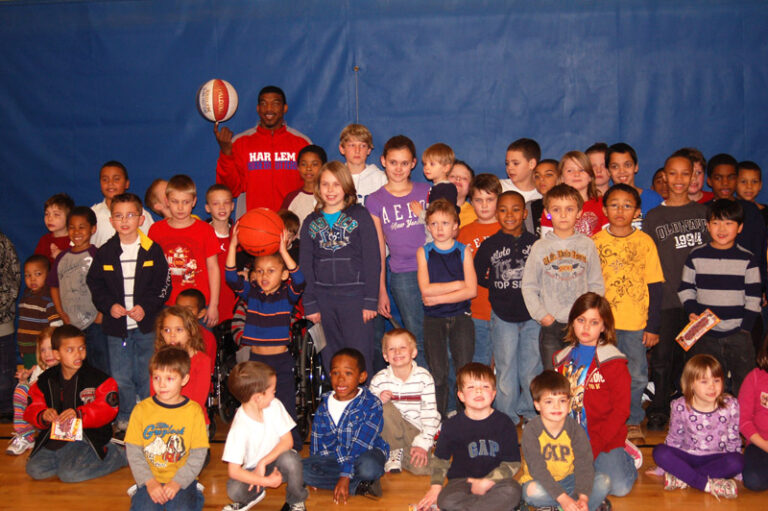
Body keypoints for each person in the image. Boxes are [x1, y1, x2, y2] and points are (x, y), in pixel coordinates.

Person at [87, 192, 171, 433]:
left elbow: (163, 285)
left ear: (141, 219)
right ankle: (125, 417)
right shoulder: (105, 252)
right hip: (117, 329)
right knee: (121, 375)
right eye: (119, 216)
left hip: (145, 327)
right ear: (111, 221)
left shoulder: (152, 250)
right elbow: (95, 284)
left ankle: (149, 414)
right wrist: (108, 305)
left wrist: (147, 307)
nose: (125, 221)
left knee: (147, 375)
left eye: (130, 215)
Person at [642, 150, 709, 431]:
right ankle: (659, 409)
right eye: (673, 174)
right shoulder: (654, 217)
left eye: (687, 173)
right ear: (664, 177)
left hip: (701, 302)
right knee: (662, 359)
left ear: (695, 176)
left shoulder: (705, 212)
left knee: (694, 359)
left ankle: (691, 408)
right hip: (668, 300)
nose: (679, 179)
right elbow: (648, 262)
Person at [592, 184, 663, 441]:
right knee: (603, 374)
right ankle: (605, 418)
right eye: (614, 204)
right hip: (603, 324)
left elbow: (655, 286)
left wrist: (653, 325)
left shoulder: (645, 242)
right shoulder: (595, 242)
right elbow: (589, 288)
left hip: (636, 324)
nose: (620, 210)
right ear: (604, 209)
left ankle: (632, 419)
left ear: (637, 211)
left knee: (636, 375)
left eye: (627, 205)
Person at [226, 225, 305, 448]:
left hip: (280, 361)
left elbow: (299, 279)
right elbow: (231, 277)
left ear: (283, 274)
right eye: (259, 271)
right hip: (255, 362)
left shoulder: (287, 296)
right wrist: (233, 245)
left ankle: (293, 448)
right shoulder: (251, 294)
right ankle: (254, 446)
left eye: (271, 271)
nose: (264, 275)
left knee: (286, 405)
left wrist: (283, 251)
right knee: (253, 404)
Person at [299, 161, 380, 377]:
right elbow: (305, 265)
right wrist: (310, 304)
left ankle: (364, 405)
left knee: (359, 356)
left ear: (346, 186)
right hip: (323, 301)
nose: (331, 190)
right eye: (325, 184)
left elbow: (373, 259)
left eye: (336, 184)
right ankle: (337, 403)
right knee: (330, 356)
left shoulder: (360, 215)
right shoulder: (310, 222)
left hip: (356, 298)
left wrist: (371, 300)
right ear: (318, 188)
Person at [553, 292, 638, 497]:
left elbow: (621, 411)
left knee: (619, 488)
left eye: (594, 322)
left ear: (604, 327)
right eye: (581, 320)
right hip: (570, 438)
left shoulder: (614, 362)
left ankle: (628, 456)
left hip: (604, 437)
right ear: (572, 322)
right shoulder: (560, 360)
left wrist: (594, 446)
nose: (586, 327)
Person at [678, 198, 760, 396]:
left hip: (738, 333)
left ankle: (743, 423)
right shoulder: (696, 255)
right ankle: (710, 421)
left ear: (739, 228)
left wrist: (745, 329)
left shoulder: (748, 259)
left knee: (745, 382)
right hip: (705, 333)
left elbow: (754, 297)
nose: (721, 229)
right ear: (707, 226)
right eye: (715, 223)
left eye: (729, 223)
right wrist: (692, 312)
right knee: (706, 381)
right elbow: (686, 288)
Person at [25, 325, 127, 482]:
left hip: (87, 437)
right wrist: (44, 414)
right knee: (35, 470)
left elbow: (107, 409)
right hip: (56, 438)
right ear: (57, 354)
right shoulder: (45, 380)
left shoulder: (99, 379)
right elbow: (32, 407)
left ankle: (117, 454)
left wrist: (79, 414)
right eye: (70, 350)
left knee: (69, 475)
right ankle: (68, 460)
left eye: (81, 348)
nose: (78, 354)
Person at [416, 362, 522, 511]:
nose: (479, 391)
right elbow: (440, 460)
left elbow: (513, 463)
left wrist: (487, 481)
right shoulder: (451, 425)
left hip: (496, 482)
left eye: (485, 387)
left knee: (513, 490)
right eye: (471, 387)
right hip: (462, 482)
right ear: (461, 395)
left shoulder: (505, 423)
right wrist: (435, 486)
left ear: (493, 394)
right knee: (446, 500)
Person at [522, 184, 605, 370]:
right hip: (551, 325)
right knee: (553, 377)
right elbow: (529, 286)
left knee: (582, 376)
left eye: (569, 209)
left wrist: (589, 316)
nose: (563, 215)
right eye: (556, 210)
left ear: (579, 213)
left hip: (582, 325)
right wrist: (542, 316)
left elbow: (596, 284)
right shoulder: (540, 247)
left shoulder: (587, 245)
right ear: (547, 213)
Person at [474, 191, 540, 425]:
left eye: (515, 209)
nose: (509, 214)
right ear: (496, 213)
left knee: (532, 365)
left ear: (524, 213)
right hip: (502, 314)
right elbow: (478, 275)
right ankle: (507, 415)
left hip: (533, 315)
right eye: (503, 209)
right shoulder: (489, 245)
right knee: (505, 365)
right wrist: (497, 285)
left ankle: (531, 412)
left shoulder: (536, 243)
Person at [367, 135, 430, 369]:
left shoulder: (426, 192)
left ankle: (446, 400)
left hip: (433, 271)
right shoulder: (375, 200)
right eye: (393, 162)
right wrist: (381, 290)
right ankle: (421, 392)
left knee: (437, 336)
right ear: (383, 161)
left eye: (404, 163)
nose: (398, 169)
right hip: (403, 275)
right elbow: (378, 249)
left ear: (413, 163)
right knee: (416, 337)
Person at [125, 346, 208, 510]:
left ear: (184, 379)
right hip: (149, 478)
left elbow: (199, 454)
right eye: (156, 377)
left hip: (182, 479)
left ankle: (195, 491)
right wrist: (149, 482)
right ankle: (139, 490)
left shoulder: (194, 412)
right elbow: (134, 451)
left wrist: (178, 482)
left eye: (169, 378)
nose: (161, 384)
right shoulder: (141, 410)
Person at [302, 348, 388, 502]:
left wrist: (345, 475)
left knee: (369, 467)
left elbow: (361, 444)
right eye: (335, 373)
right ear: (329, 375)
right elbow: (317, 442)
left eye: (348, 373)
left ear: (362, 377)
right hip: (336, 457)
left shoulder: (371, 403)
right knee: (300, 470)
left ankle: (355, 480)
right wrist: (314, 469)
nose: (340, 380)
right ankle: (360, 486)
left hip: (365, 452)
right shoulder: (324, 406)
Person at [652, 354, 742, 499]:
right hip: (688, 455)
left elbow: (734, 438)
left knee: (736, 461)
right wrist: (662, 467)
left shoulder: (731, 405)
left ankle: (683, 477)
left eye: (716, 380)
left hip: (716, 458)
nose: (712, 386)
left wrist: (737, 471)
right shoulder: (680, 405)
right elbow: (674, 437)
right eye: (704, 381)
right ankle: (704, 483)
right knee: (660, 452)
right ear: (691, 384)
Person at [222, 361, 308, 511]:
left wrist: (263, 463)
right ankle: (256, 494)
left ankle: (296, 501)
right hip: (253, 470)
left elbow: (288, 441)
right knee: (234, 489)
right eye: (272, 391)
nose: (275, 394)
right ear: (257, 398)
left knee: (292, 460)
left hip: (277, 460)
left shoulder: (274, 405)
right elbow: (234, 471)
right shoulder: (239, 427)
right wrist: (265, 481)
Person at [417, 199, 477, 416]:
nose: (439, 229)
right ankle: (438, 420)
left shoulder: (464, 251)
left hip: (461, 317)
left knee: (464, 370)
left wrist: (440, 297)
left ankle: (466, 417)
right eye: (433, 224)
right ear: (428, 227)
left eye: (445, 223)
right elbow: (426, 290)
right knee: (439, 373)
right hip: (433, 320)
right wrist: (458, 285)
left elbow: (472, 291)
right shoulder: (423, 252)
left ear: (455, 226)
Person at [519, 370, 611, 511]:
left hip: (569, 480)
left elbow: (584, 464)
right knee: (531, 492)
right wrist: (563, 498)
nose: (557, 407)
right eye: (549, 401)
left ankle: (562, 506)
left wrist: (583, 497)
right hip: (541, 481)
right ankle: (573, 505)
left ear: (569, 404)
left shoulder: (574, 429)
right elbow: (538, 470)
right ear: (537, 405)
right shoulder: (531, 431)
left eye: (562, 401)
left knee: (604, 481)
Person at [214, 85, 311, 213]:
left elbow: (312, 187)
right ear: (258, 109)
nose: (269, 109)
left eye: (275, 103)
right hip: (253, 225)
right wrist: (226, 154)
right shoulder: (240, 142)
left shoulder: (302, 143)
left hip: (293, 225)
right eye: (264, 104)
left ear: (284, 108)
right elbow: (229, 190)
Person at [148, 174, 220, 326]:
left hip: (199, 305)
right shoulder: (156, 230)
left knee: (200, 347)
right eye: (175, 202)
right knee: (169, 348)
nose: (180, 207)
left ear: (194, 202)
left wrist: (213, 304)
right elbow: (150, 269)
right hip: (167, 303)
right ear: (167, 201)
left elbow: (213, 268)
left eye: (185, 202)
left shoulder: (205, 230)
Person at [369, 328, 440, 475]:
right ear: (385, 356)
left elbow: (430, 414)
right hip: (391, 431)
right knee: (385, 407)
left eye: (402, 347)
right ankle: (393, 450)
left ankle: (404, 454)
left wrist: (422, 444)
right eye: (392, 349)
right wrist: (377, 401)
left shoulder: (424, 378)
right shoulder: (379, 380)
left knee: (421, 470)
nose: (397, 352)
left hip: (416, 429)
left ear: (413, 353)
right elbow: (367, 411)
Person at [48, 206, 109, 374]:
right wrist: (61, 312)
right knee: (76, 368)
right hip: (70, 324)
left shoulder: (99, 255)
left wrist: (100, 314)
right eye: (72, 227)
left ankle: (104, 398)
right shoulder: (62, 257)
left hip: (95, 323)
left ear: (93, 229)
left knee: (100, 366)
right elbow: (54, 285)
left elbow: (109, 287)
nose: (76, 231)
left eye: (82, 227)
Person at [456, 174, 502, 368]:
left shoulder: (507, 229)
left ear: (499, 200)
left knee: (505, 366)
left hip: (505, 312)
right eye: (478, 200)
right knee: (480, 363)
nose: (484, 205)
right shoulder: (463, 233)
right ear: (471, 201)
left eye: (490, 200)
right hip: (476, 310)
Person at [153, 306, 212, 425]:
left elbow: (198, 401)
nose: (172, 335)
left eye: (179, 330)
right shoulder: (159, 359)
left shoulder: (202, 360)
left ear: (191, 331)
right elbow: (154, 394)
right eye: (167, 330)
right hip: (164, 421)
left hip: (193, 422)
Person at [6, 327, 58, 455]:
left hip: (58, 418)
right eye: (43, 350)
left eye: (51, 348)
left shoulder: (67, 369)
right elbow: (30, 396)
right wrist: (24, 382)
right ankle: (26, 436)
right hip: (41, 416)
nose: (47, 354)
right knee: (21, 390)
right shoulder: (39, 369)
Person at [541, 151, 607, 237]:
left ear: (590, 176)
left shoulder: (602, 205)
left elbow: (609, 239)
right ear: (561, 178)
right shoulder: (552, 208)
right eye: (570, 170)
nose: (576, 174)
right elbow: (546, 242)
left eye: (582, 170)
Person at [91, 161, 155, 247]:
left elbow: (151, 245)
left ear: (127, 184)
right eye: (105, 179)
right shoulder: (92, 213)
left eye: (116, 179)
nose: (110, 183)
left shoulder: (140, 213)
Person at [18, 254, 63, 368]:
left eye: (38, 274)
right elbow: (23, 324)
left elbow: (56, 326)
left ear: (48, 274)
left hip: (43, 351)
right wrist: (23, 347)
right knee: (30, 377)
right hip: (28, 350)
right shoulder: (26, 295)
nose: (32, 279)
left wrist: (53, 347)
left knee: (43, 376)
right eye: (28, 275)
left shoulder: (48, 298)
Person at [205, 184, 237, 324]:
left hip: (234, 304)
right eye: (216, 203)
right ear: (208, 208)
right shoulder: (202, 234)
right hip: (210, 303)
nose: (222, 207)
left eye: (226, 202)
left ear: (232, 206)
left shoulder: (241, 234)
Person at [738, 340, 768, 492]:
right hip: (760, 444)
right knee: (754, 481)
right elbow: (744, 421)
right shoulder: (754, 378)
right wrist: (764, 445)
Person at [606, 142, 663, 219]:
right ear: (608, 171)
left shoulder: (653, 199)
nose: (622, 171)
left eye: (627, 165)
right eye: (615, 167)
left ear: (636, 167)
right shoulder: (604, 202)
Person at [338, 124, 387, 206]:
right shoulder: (334, 177)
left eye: (362, 146)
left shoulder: (381, 179)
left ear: (369, 150)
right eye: (352, 145)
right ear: (342, 149)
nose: (357, 150)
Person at [281, 145, 327, 230]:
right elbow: (282, 229)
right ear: (298, 167)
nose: (308, 168)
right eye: (304, 164)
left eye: (314, 164)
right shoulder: (291, 198)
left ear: (324, 167)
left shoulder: (330, 196)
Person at [0, 230, 20, 423]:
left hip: (2, 320)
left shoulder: (3, 243)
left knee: (5, 369)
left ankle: (6, 407)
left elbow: (12, 281)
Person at [175, 288, 217, 376]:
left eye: (188, 310)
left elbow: (207, 369)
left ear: (201, 313)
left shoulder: (207, 337)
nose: (182, 313)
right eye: (178, 309)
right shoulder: (170, 333)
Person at [34, 193, 75, 263]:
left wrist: (62, 257)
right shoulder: (44, 240)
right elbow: (37, 265)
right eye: (47, 214)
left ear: (69, 218)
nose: (49, 218)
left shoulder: (75, 240)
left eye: (56, 214)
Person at [501, 137, 542, 202]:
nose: (509, 167)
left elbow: (549, 212)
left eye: (515, 163)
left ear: (531, 164)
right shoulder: (498, 188)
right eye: (507, 163)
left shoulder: (542, 193)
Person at [525, 159, 559, 238]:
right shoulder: (530, 207)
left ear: (560, 177)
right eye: (537, 176)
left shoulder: (570, 205)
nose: (542, 179)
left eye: (548, 175)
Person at [736, 160, 768, 226]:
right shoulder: (729, 211)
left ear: (760, 185)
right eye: (743, 181)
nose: (749, 186)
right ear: (734, 183)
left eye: (754, 182)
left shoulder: (766, 212)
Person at [448, 161, 477, 227]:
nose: (458, 179)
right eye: (452, 176)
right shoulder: (432, 208)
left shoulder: (476, 215)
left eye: (464, 178)